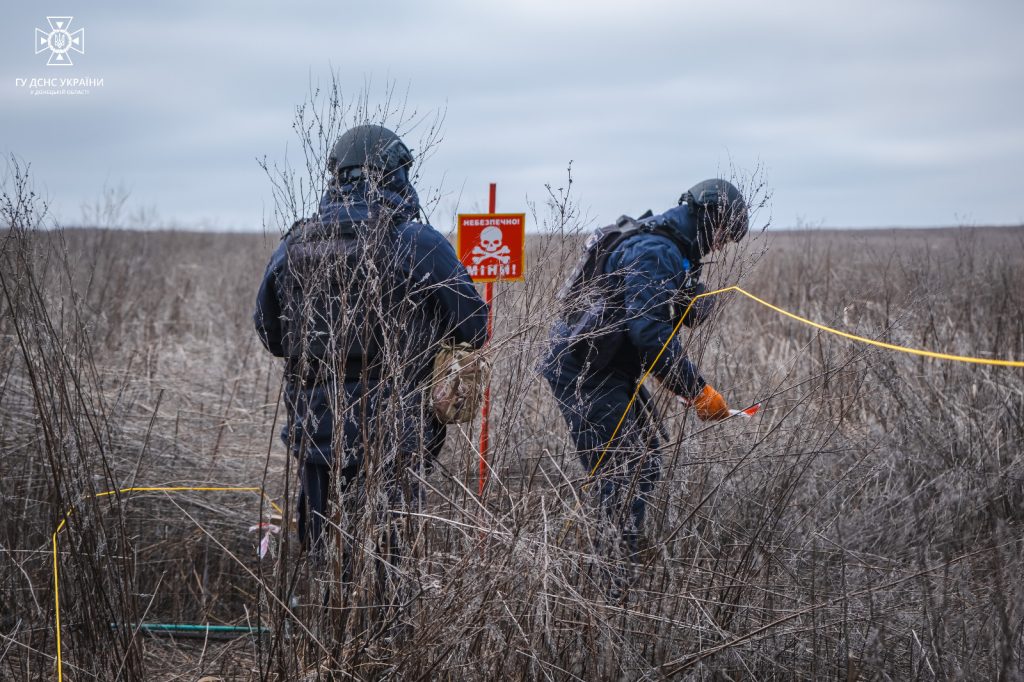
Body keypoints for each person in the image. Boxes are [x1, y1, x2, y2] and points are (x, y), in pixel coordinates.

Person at [253, 124, 488, 559]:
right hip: (396, 428)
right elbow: (475, 327)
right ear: (397, 174)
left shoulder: (293, 244)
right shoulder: (417, 241)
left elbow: (271, 334)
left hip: (315, 426)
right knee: (386, 553)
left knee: (323, 548)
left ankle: (326, 621)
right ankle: (381, 625)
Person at [542, 178, 749, 567]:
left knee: (646, 457)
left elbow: (640, 309)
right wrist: (698, 391)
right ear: (708, 217)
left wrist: (688, 303)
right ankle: (613, 578)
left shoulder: (670, 246)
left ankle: (620, 556)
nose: (722, 245)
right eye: (724, 234)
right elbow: (650, 335)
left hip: (607, 366)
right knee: (624, 472)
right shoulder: (657, 250)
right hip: (586, 372)